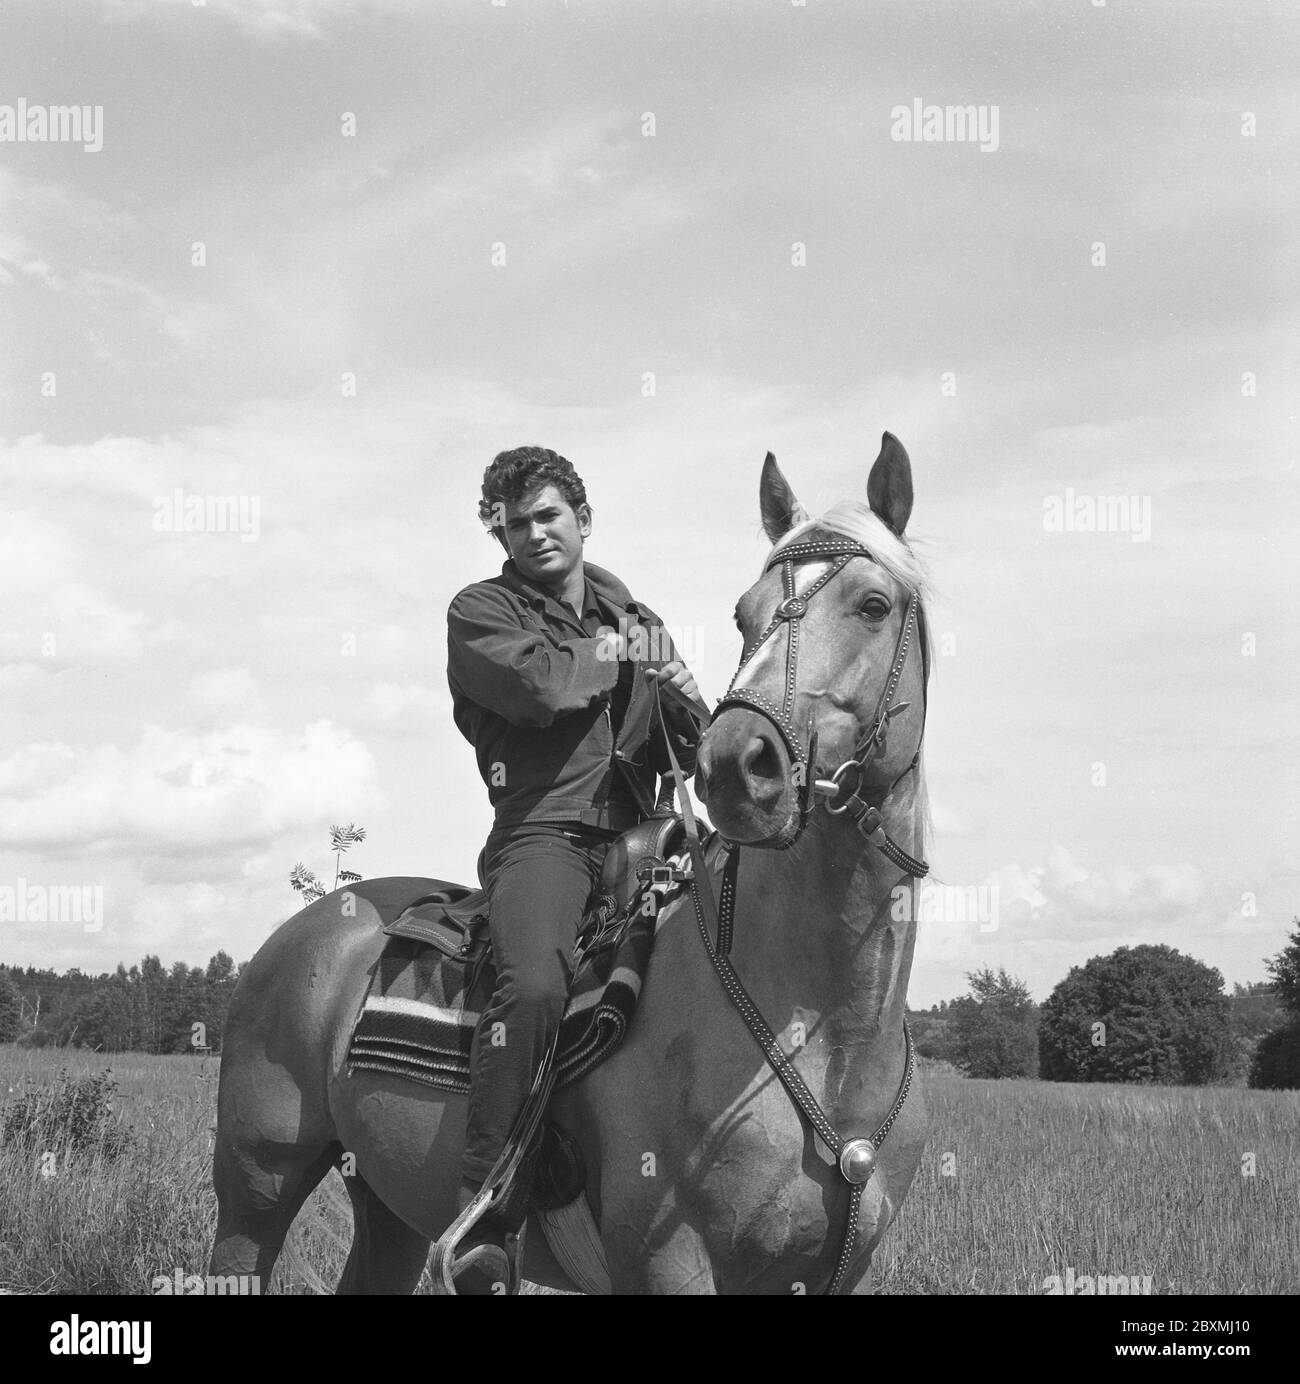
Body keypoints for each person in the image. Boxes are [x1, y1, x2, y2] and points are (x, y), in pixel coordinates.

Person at [444, 445, 706, 1291]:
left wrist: (684, 689)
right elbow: (541, 689)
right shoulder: (481, 610)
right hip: (543, 834)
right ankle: (485, 1216)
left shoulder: (632, 610)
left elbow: (692, 744)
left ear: (582, 521)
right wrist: (622, 651)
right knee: (535, 988)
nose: (532, 533)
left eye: (548, 516)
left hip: (643, 834)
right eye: (515, 523)